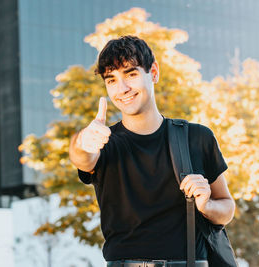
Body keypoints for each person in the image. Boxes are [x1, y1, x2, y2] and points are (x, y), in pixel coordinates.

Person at [69, 36, 235, 267]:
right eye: (111, 80)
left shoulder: (197, 137)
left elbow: (226, 207)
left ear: (153, 72)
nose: (122, 88)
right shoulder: (103, 143)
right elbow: (83, 158)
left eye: (131, 74)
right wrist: (82, 143)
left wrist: (206, 206)